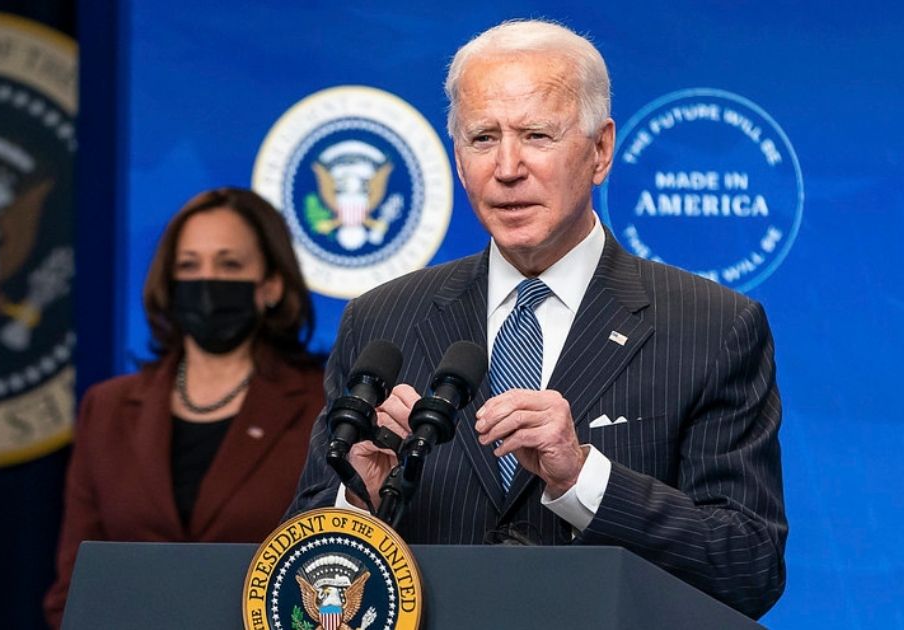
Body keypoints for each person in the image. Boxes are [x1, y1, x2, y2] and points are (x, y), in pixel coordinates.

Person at [288, 19, 787, 619]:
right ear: (457, 157)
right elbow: (297, 572)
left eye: (536, 135)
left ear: (600, 150)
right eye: (482, 138)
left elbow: (749, 566)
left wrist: (582, 479)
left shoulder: (711, 327)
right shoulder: (382, 320)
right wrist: (357, 501)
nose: (507, 167)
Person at [45, 187, 326, 627]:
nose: (207, 281)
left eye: (229, 264)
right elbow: (73, 590)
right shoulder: (109, 408)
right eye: (189, 266)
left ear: (271, 285)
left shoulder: (321, 405)